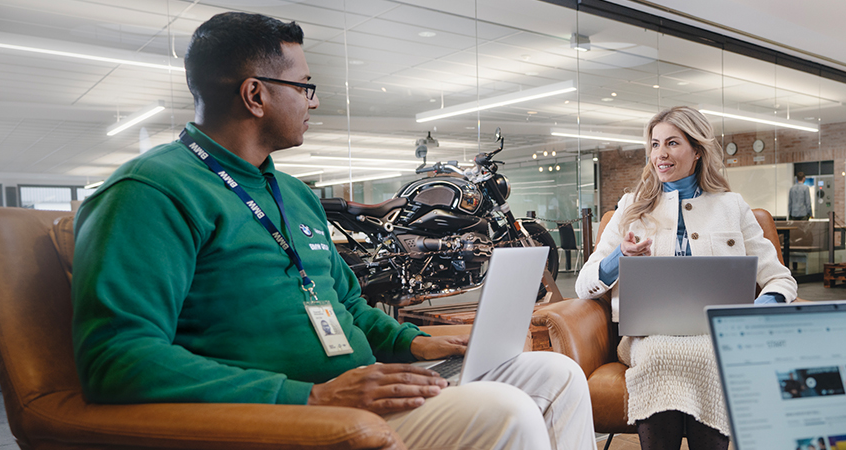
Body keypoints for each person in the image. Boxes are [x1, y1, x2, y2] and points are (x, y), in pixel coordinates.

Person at [70, 12, 594, 450]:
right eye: (304, 87)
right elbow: (117, 358)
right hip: (292, 414)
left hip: (364, 393)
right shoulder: (152, 191)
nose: (313, 101)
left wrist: (414, 344)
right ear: (255, 94)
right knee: (504, 413)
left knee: (555, 375)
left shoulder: (291, 193)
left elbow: (350, 308)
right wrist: (311, 397)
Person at [574, 106, 798, 450]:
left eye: (672, 143)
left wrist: (754, 309)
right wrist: (622, 257)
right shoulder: (630, 207)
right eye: (654, 144)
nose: (660, 154)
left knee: (710, 356)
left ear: (697, 151)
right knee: (657, 355)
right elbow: (584, 282)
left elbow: (780, 279)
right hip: (647, 337)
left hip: (716, 336)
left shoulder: (732, 206)